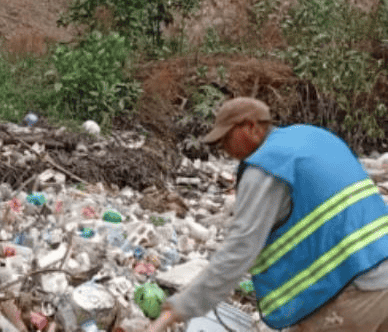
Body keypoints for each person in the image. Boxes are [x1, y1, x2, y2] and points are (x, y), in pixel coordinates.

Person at [148, 97, 388, 332]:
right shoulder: (313, 137)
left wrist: (179, 308)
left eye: (226, 139)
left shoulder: (267, 166)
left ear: (251, 127)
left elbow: (239, 249)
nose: (225, 150)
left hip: (355, 290)